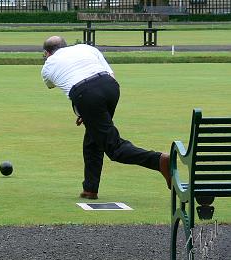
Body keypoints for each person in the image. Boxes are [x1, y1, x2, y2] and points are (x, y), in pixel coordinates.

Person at [40, 35, 170, 199]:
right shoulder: (86, 48)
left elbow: (54, 84)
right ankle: (90, 188)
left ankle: (159, 160)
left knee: (114, 148)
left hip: (86, 94)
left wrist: (89, 107)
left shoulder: (48, 66)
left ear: (47, 53)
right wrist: (89, 111)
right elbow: (110, 73)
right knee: (93, 139)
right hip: (111, 87)